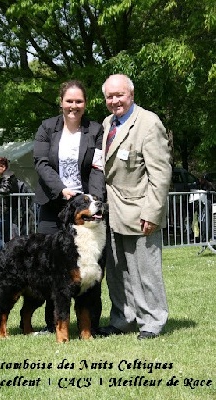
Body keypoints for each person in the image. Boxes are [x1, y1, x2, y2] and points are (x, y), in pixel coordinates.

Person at [99, 74, 172, 340]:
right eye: (110, 96)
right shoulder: (108, 124)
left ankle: (152, 321)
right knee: (117, 273)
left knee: (146, 272)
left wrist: (152, 213)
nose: (115, 100)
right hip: (112, 212)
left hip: (141, 212)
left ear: (131, 94)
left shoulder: (149, 123)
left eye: (120, 95)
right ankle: (122, 318)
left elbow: (161, 174)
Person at [33, 79, 106, 333]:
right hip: (53, 204)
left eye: (79, 101)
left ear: (85, 104)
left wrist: (92, 200)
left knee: (90, 267)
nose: (73, 106)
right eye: (69, 101)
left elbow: (98, 166)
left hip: (83, 208)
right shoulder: (46, 128)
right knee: (50, 267)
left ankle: (91, 326)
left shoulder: (95, 130)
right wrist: (61, 189)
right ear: (61, 102)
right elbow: (41, 162)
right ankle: (52, 325)